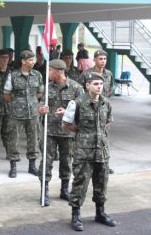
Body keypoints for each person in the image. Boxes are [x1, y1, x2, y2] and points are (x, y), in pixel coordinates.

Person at [62, 72, 116, 231]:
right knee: (80, 183)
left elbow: (107, 122)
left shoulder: (106, 103)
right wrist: (81, 133)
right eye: (96, 84)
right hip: (84, 151)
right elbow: (66, 123)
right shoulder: (77, 103)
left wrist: (99, 135)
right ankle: (76, 215)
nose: (99, 87)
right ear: (87, 86)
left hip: (102, 151)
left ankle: (100, 213)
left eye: (101, 84)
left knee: (102, 182)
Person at [38, 59, 84, 206]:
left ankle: (64, 189)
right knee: (46, 161)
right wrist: (41, 109)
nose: (48, 73)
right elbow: (40, 104)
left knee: (66, 161)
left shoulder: (76, 88)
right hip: (49, 131)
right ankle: (44, 191)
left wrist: (67, 111)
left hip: (67, 131)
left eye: (50, 70)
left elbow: (82, 109)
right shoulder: (47, 87)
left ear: (58, 72)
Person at [3, 49, 44, 178]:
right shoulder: (13, 75)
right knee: (13, 139)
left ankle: (32, 166)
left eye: (34, 59)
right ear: (23, 61)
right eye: (31, 60)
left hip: (32, 112)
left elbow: (40, 92)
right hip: (16, 113)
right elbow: (7, 94)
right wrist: (17, 103)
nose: (33, 62)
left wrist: (32, 102)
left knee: (33, 140)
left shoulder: (37, 75)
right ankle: (13, 166)